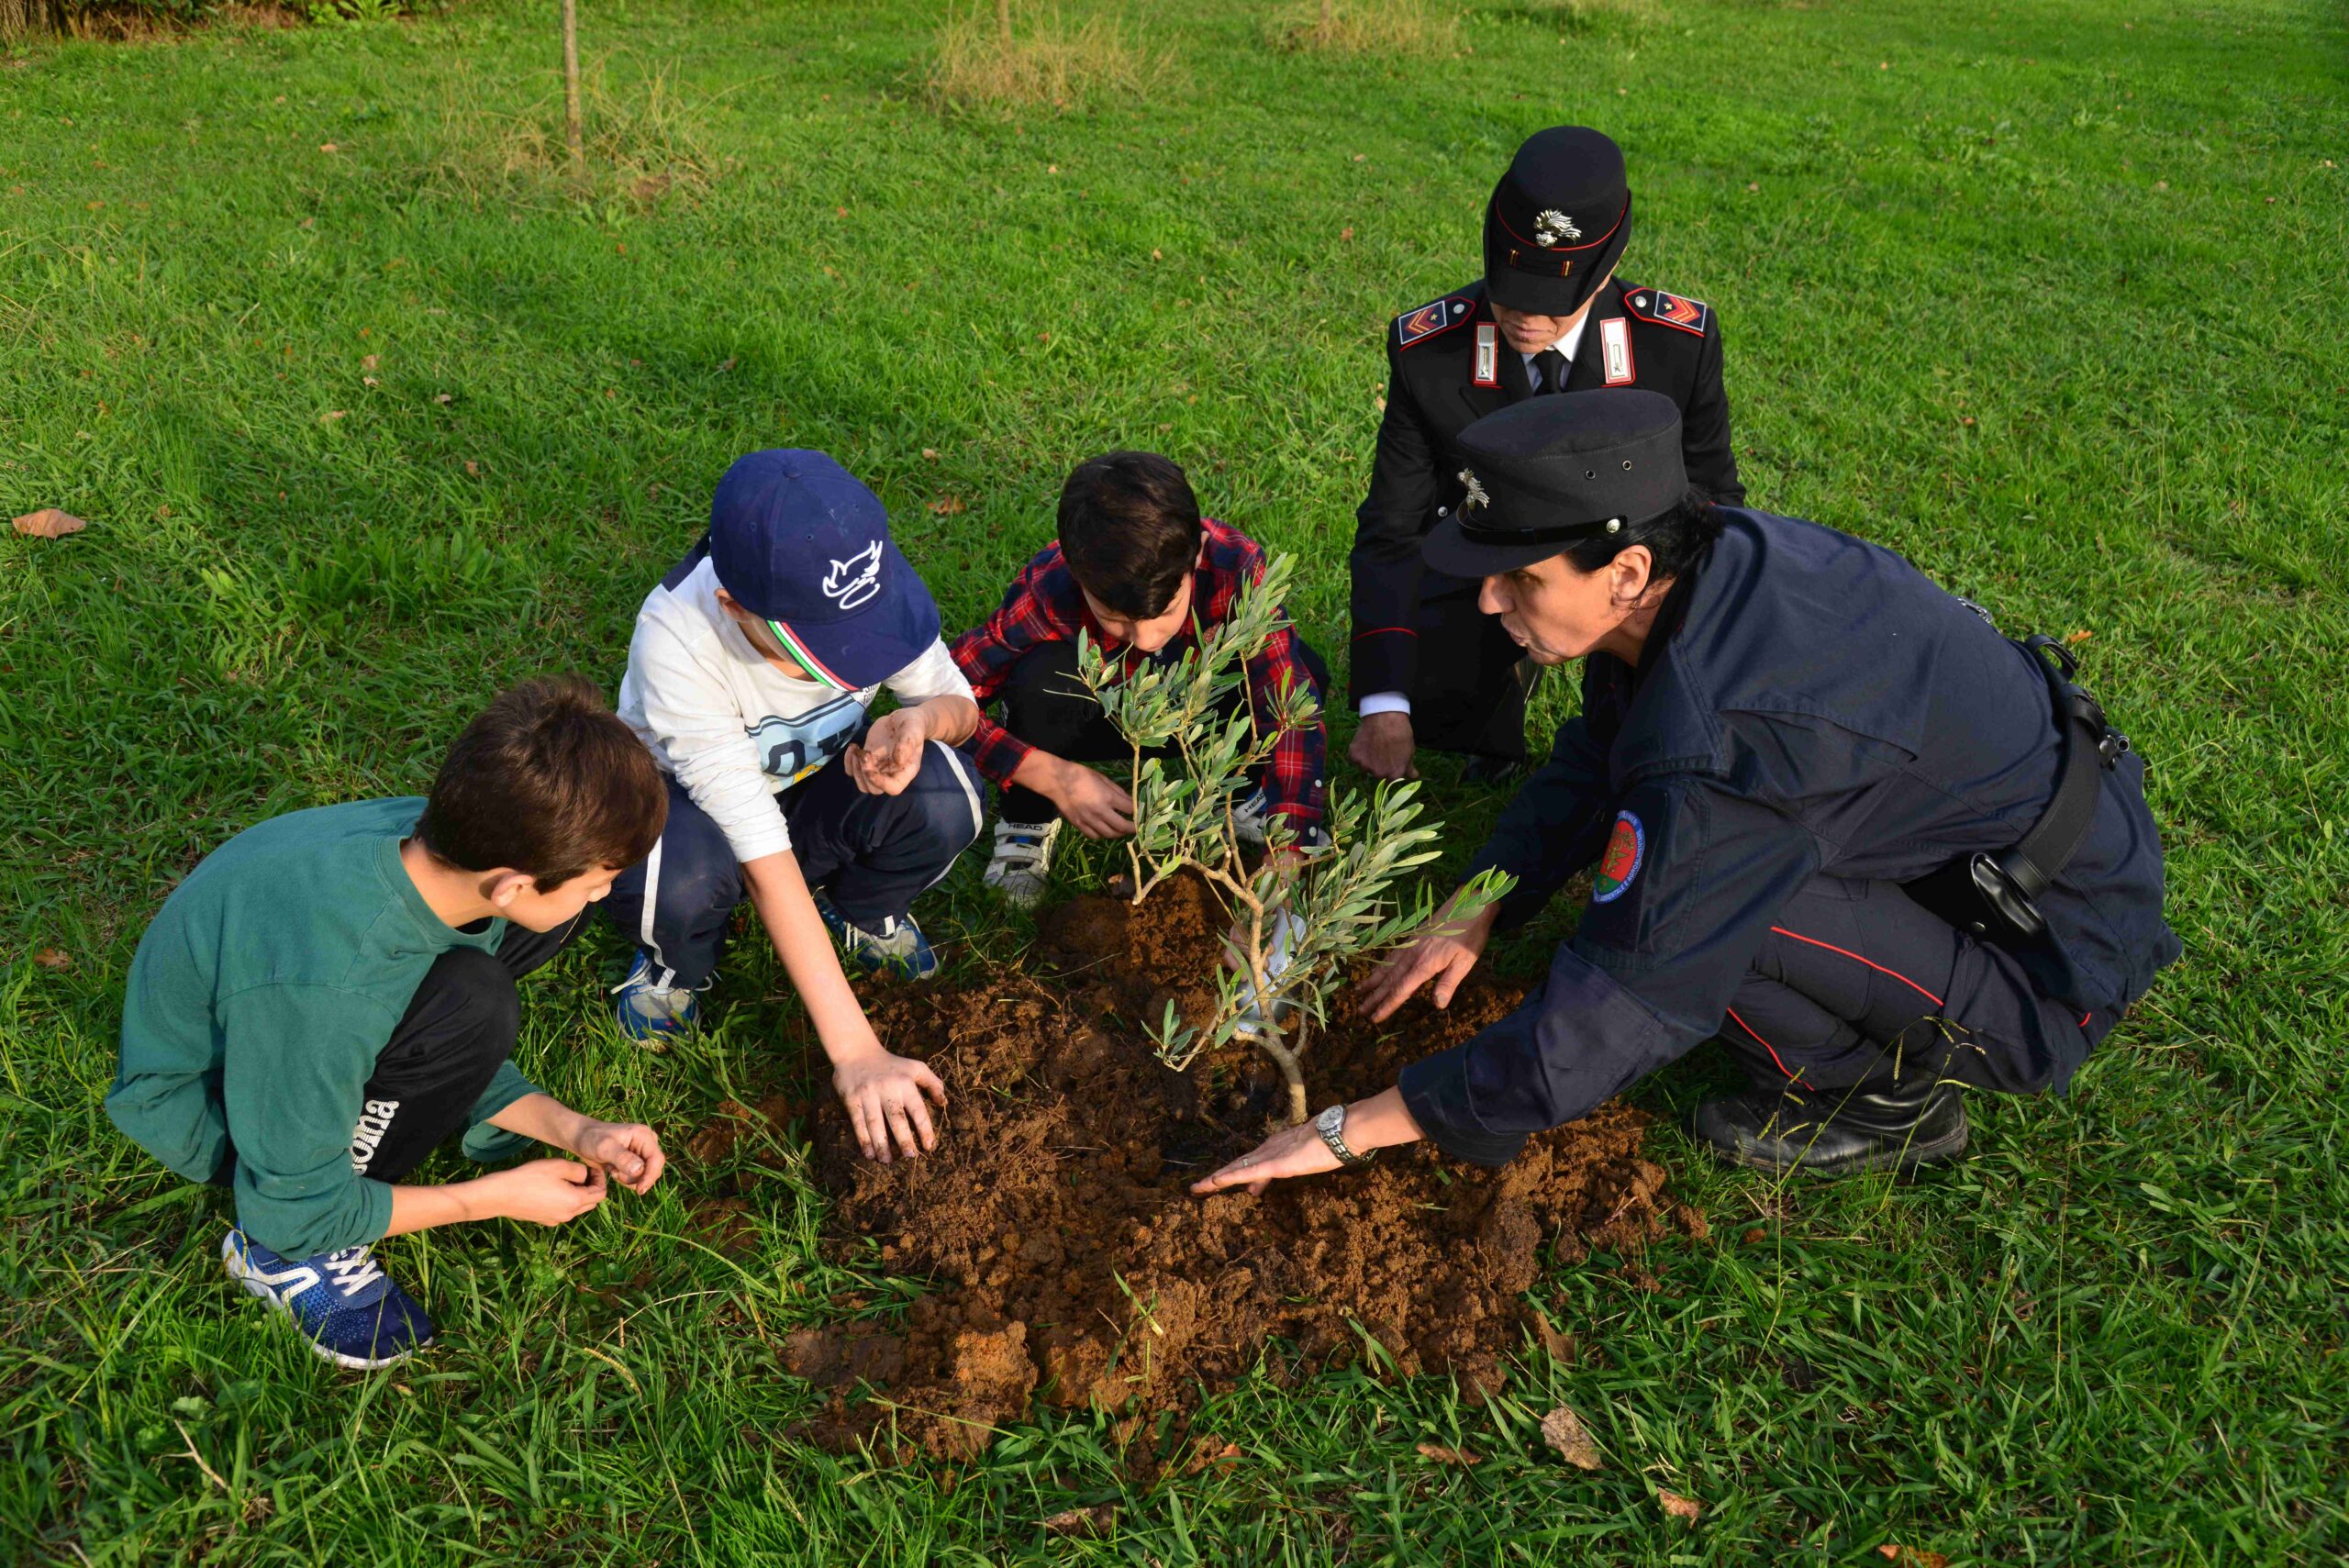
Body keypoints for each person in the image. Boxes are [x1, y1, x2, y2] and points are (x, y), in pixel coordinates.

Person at [1195, 391, 2180, 1195]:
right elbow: (1599, 751)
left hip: (2047, 958)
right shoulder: (1703, 567)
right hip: (1995, 858)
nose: (1490, 602)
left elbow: (1621, 1006)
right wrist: (1478, 902)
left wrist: (1353, 1124)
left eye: (1518, 579)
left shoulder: (1732, 732)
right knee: (1680, 854)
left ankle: (1882, 1104)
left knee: (1711, 905)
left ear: (1623, 569)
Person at [106, 679, 674, 1369]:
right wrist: (490, 1199)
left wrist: (574, 1129)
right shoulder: (332, 990)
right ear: (510, 885)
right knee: (475, 1002)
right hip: (212, 1098)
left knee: (486, 983)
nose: (606, 892)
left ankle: (399, 1103)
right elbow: (299, 1202)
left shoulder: (441, 846)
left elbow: (426, 1010)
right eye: (598, 880)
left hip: (294, 1005)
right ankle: (283, 1261)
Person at [604, 450, 983, 1166]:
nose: (857, 659)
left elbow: (959, 704)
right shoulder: (678, 643)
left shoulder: (857, 575)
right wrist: (858, 1051)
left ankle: (863, 911)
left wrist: (919, 723)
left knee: (947, 794)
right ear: (735, 608)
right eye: (823, 648)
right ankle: (676, 967)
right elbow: (763, 857)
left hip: (817, 788)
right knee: (671, 884)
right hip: (687, 812)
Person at [1349, 125, 1745, 784]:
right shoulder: (1431, 353)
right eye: (1510, 288)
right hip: (1490, 554)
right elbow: (1393, 525)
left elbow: (1712, 503)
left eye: (1554, 302)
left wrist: (1673, 635)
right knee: (1442, 699)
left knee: (1648, 739)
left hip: (1622, 567)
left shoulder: (1675, 346)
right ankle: (1495, 702)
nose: (1527, 318)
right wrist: (1383, 703)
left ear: (1608, 267)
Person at [950, 450, 1330, 907]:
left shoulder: (1234, 570)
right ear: (1078, 575)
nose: (1146, 641)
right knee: (1037, 679)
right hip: (1097, 711)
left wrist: (1289, 850)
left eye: (1166, 611)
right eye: (1114, 619)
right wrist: (1048, 774)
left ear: (1196, 557)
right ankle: (1026, 820)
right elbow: (945, 695)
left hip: (1196, 706)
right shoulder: (1051, 589)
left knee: (1299, 669)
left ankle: (1239, 791)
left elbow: (1287, 706)